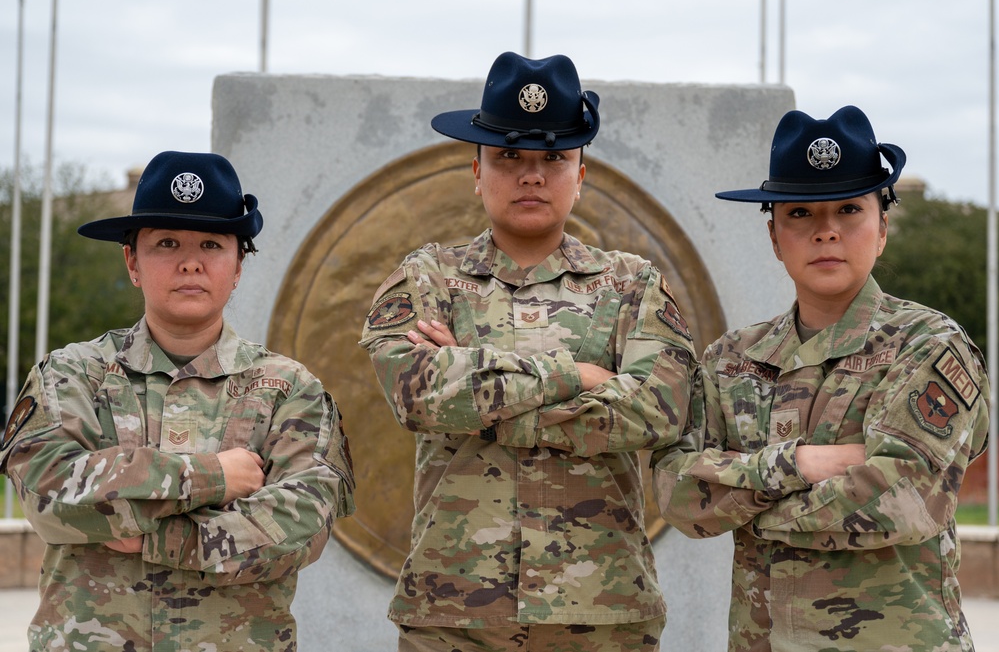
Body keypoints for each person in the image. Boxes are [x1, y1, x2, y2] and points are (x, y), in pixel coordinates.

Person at [360, 51, 698, 651]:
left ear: (580, 175)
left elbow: (657, 411)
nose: (532, 175)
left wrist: (477, 385)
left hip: (602, 613)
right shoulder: (429, 277)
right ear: (477, 170)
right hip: (453, 615)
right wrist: (582, 376)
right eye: (509, 156)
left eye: (554, 158)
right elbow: (418, 395)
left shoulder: (632, 285)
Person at [654, 105, 990, 652]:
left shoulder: (928, 345)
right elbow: (676, 494)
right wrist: (803, 463)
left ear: (881, 228)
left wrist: (743, 493)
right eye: (801, 214)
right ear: (773, 237)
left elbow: (905, 499)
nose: (826, 232)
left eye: (849, 209)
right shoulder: (730, 360)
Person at [0, 151, 356, 651]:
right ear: (132, 262)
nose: (190, 261)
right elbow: (49, 495)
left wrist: (156, 538)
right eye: (167, 242)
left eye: (211, 243)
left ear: (238, 267)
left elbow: (302, 527)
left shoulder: (289, 390)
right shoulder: (72, 375)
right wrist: (213, 477)